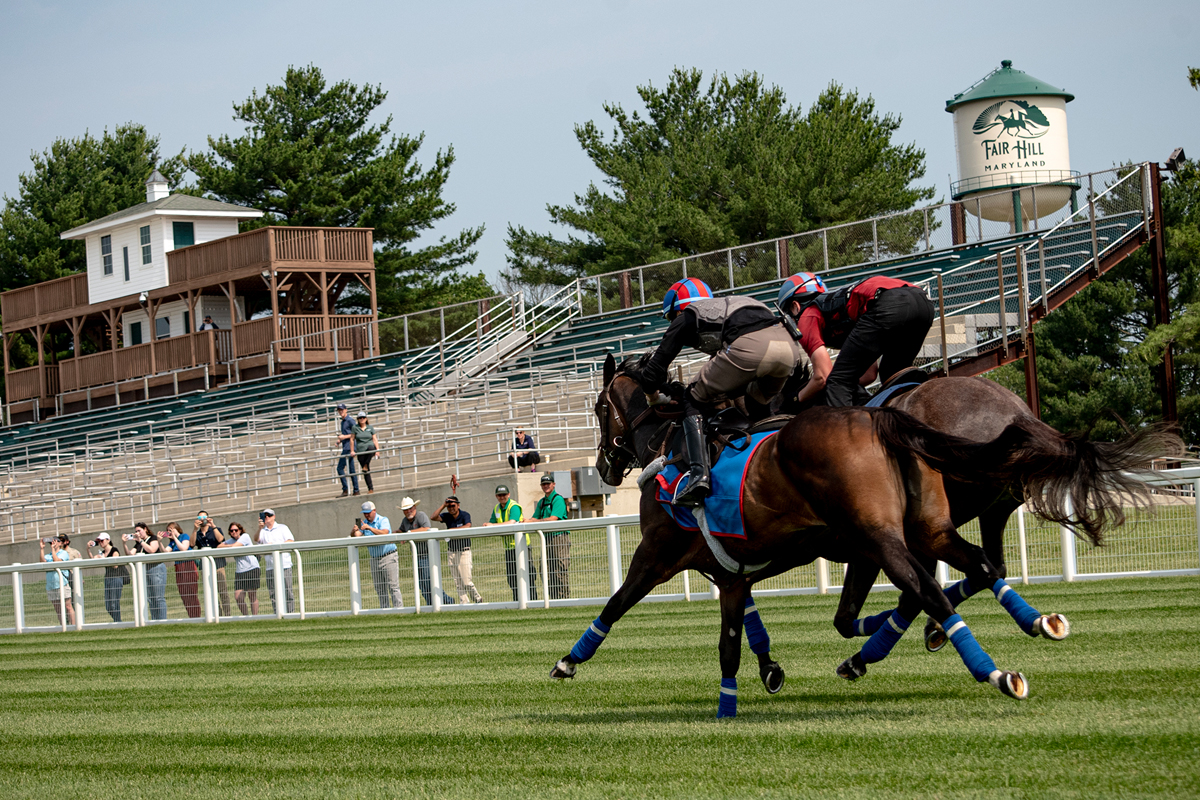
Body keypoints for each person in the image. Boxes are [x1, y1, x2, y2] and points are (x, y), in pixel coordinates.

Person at [627, 279, 802, 507]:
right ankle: (778, 460)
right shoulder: (730, 306)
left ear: (678, 309)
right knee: (757, 405)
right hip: (789, 349)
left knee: (692, 397)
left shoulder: (688, 314)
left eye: (672, 318)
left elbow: (652, 372)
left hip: (751, 348)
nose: (673, 323)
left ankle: (699, 477)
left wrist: (652, 397)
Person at [778, 272, 935, 408]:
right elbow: (869, 374)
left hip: (889, 303)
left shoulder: (807, 316)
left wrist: (796, 399)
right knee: (891, 374)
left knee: (837, 382)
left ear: (795, 306)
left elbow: (823, 377)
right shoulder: (837, 311)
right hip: (923, 303)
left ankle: (843, 440)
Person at [398, 497, 455, 607]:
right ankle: (432, 604)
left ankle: (445, 601)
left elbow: (426, 528)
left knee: (429, 582)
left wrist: (409, 533)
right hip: (416, 556)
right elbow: (401, 530)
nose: (408, 511)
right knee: (422, 584)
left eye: (410, 508)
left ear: (414, 507)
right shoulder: (405, 521)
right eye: (406, 509)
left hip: (426, 555)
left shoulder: (421, 516)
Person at [486, 485, 537, 603]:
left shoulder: (513, 506)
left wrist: (492, 526)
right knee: (512, 577)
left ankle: (533, 601)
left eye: (504, 495)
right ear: (496, 496)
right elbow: (492, 522)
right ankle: (517, 601)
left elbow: (512, 522)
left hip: (522, 546)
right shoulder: (497, 508)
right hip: (509, 548)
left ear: (509, 495)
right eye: (499, 495)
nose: (502, 497)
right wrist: (488, 525)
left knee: (527, 575)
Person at [351, 501, 403, 609]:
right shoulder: (364, 523)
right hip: (375, 558)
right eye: (365, 513)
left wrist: (369, 528)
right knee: (380, 587)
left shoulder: (383, 520)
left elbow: (385, 533)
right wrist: (353, 531)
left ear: (374, 511)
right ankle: (385, 609)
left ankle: (399, 609)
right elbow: (356, 536)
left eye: (368, 512)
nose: (366, 515)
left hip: (388, 556)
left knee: (393, 586)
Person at [434, 495, 481, 604]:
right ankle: (464, 603)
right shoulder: (446, 516)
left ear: (458, 505)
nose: (451, 508)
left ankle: (478, 599)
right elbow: (433, 517)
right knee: (458, 582)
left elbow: (467, 526)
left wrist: (451, 530)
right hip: (452, 551)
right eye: (449, 506)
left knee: (466, 581)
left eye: (453, 505)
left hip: (464, 551)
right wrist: (443, 505)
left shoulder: (465, 515)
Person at [531, 473, 570, 600]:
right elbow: (534, 518)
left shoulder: (558, 499)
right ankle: (552, 598)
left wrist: (535, 522)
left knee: (559, 569)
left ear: (553, 485)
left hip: (559, 537)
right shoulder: (542, 502)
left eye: (548, 484)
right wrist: (525, 521)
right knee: (546, 570)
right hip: (546, 538)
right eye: (543, 484)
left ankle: (563, 599)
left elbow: (553, 519)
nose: (546, 486)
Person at [125, 523, 167, 620]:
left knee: (158, 597)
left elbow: (152, 550)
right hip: (145, 570)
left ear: (145, 529)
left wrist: (140, 541)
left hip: (156, 568)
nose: (137, 533)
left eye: (139, 530)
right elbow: (130, 554)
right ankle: (154, 620)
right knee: (151, 598)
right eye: (136, 531)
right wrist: (124, 544)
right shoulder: (139, 543)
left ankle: (162, 620)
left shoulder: (153, 538)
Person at [257, 509, 295, 613]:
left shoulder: (282, 528)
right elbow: (257, 542)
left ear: (274, 516)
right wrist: (259, 528)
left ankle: (290, 613)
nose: (267, 517)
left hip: (284, 565)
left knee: (288, 591)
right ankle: (277, 613)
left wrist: (275, 545)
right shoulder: (262, 531)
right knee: (273, 592)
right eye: (265, 516)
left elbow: (290, 540)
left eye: (269, 515)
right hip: (270, 566)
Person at [192, 510, 230, 617]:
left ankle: (227, 615)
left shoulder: (216, 529)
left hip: (218, 564)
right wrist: (195, 530)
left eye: (204, 517)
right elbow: (191, 543)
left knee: (223, 592)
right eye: (200, 518)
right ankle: (217, 614)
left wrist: (213, 526)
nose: (202, 520)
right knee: (211, 593)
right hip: (205, 567)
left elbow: (221, 539)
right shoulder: (197, 533)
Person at [218, 522, 260, 615]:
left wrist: (229, 546)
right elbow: (219, 546)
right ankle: (246, 617)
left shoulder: (245, 536)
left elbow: (235, 546)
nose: (234, 532)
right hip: (240, 571)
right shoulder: (231, 541)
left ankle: (255, 617)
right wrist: (229, 545)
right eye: (231, 530)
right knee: (238, 597)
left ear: (240, 530)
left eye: (236, 530)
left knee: (252, 595)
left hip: (252, 568)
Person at [163, 521, 201, 618]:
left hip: (188, 566)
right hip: (179, 567)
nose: (169, 532)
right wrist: (160, 542)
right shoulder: (172, 543)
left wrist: (175, 537)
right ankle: (191, 616)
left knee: (191, 592)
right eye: (168, 531)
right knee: (184, 593)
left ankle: (196, 616)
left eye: (171, 530)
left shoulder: (184, 536)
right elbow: (165, 552)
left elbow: (184, 548)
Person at [87, 533, 125, 622]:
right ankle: (118, 621)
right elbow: (93, 560)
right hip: (108, 578)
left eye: (102, 541)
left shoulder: (114, 550)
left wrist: (103, 558)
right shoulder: (103, 552)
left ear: (108, 540)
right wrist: (88, 549)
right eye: (99, 541)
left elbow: (115, 565)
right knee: (108, 606)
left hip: (116, 578)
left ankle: (118, 622)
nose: (100, 543)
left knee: (114, 603)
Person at [39, 535, 75, 626]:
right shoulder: (48, 556)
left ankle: (74, 626)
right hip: (51, 585)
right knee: (58, 609)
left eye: (55, 542)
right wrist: (42, 549)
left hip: (62, 584)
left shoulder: (63, 553)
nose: (53, 544)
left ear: (60, 543)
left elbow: (57, 561)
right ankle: (63, 626)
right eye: (51, 542)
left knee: (68, 606)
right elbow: (42, 562)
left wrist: (53, 549)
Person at [335, 403, 360, 497]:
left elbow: (356, 432)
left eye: (342, 410)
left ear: (346, 410)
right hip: (346, 446)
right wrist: (340, 440)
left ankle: (346, 489)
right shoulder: (343, 421)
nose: (340, 412)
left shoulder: (349, 420)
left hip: (350, 447)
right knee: (351, 469)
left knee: (340, 468)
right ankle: (356, 490)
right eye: (339, 410)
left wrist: (343, 436)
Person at [353, 411, 380, 495]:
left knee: (371, 448)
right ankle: (370, 488)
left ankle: (366, 464)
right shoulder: (355, 428)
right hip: (361, 450)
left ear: (366, 418)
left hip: (369, 448)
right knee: (366, 471)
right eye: (360, 418)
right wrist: (352, 450)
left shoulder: (370, 428)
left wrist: (378, 450)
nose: (362, 419)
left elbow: (374, 439)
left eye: (363, 417)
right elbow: (352, 439)